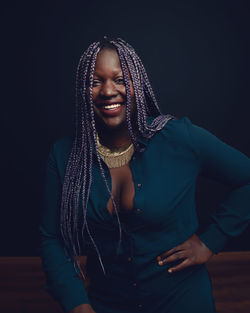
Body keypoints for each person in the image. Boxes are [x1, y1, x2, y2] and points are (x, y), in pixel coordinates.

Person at [39, 36, 250, 313]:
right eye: (95, 81)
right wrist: (77, 304)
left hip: (182, 301)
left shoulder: (179, 138)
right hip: (105, 304)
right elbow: (52, 238)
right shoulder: (65, 155)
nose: (108, 91)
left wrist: (210, 240)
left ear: (136, 83)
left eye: (120, 79)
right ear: (82, 90)